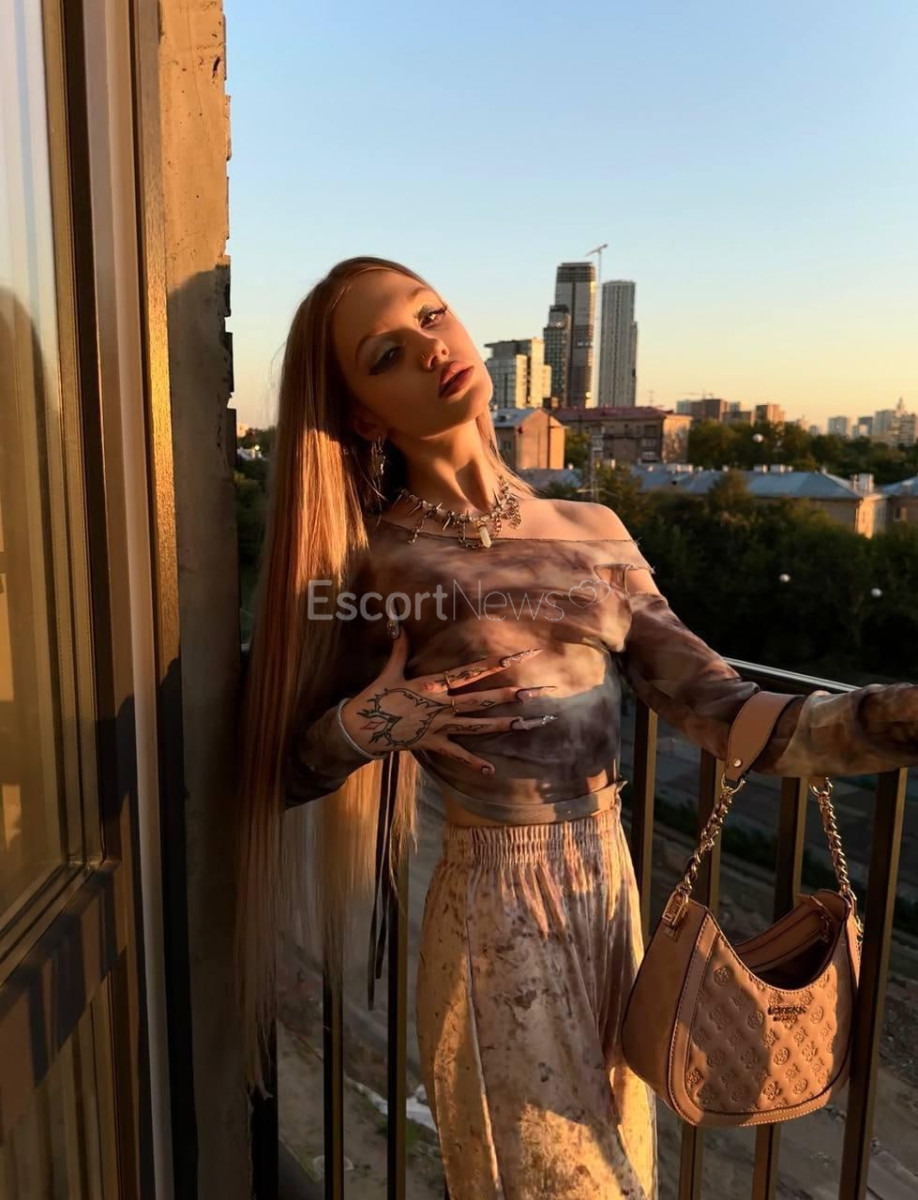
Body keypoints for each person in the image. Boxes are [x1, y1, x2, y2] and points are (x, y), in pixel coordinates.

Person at [234, 256, 918, 1200]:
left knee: (625, 1163)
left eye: (433, 316)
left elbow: (725, 711)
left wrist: (891, 717)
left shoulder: (594, 529)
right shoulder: (378, 565)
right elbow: (283, 767)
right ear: (365, 416)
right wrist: (364, 726)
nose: (431, 347)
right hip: (493, 911)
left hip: (612, 890)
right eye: (387, 353)